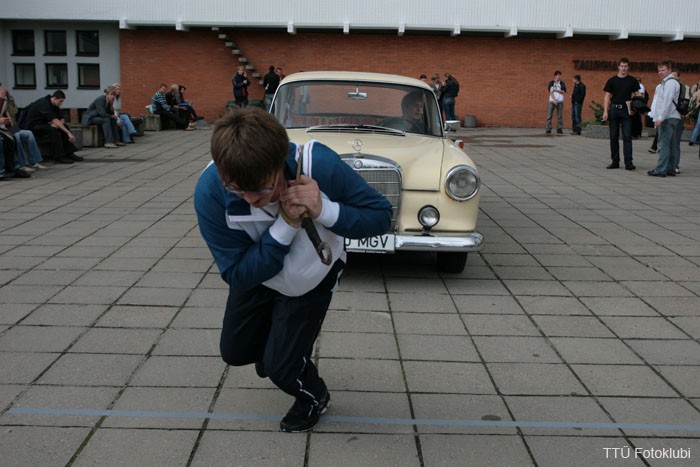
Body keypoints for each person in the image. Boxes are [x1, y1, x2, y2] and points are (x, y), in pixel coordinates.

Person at [194, 107, 392, 433]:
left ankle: (314, 397)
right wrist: (285, 225)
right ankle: (278, 349)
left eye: (262, 188)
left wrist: (323, 208)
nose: (251, 199)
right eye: (237, 189)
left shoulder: (319, 164)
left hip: (311, 277)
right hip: (258, 274)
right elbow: (237, 274)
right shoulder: (210, 191)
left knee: (281, 368)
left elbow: (381, 217)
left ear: (280, 162)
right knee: (235, 351)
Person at [19, 90, 81, 164]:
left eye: (62, 101)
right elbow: (54, 119)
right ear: (54, 98)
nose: (61, 103)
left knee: (64, 126)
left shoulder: (54, 104)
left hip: (43, 124)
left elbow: (61, 119)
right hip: (33, 126)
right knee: (53, 129)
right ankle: (58, 156)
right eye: (60, 101)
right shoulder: (44, 104)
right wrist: (68, 133)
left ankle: (69, 153)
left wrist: (60, 125)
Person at [602, 57, 641, 170]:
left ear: (628, 67)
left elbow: (637, 95)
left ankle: (629, 162)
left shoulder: (632, 80)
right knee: (613, 136)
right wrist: (605, 111)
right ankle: (615, 161)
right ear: (618, 67)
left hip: (626, 110)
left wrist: (635, 108)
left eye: (625, 66)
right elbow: (607, 96)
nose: (623, 68)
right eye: (622, 66)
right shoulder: (612, 80)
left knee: (627, 136)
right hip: (614, 109)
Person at [647, 61, 681, 177]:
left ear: (669, 70)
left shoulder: (670, 83)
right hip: (672, 116)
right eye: (659, 70)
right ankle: (670, 168)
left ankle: (661, 169)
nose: (660, 72)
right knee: (671, 144)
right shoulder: (668, 82)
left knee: (664, 144)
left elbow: (667, 101)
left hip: (668, 117)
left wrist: (660, 117)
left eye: (663, 70)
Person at [0, 84, 46, 171]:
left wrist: (9, 98)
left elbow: (14, 111)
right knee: (16, 136)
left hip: (10, 126)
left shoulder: (5, 101)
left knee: (28, 133)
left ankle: (34, 162)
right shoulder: (1, 100)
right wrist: (1, 99)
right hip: (2, 130)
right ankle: (22, 164)